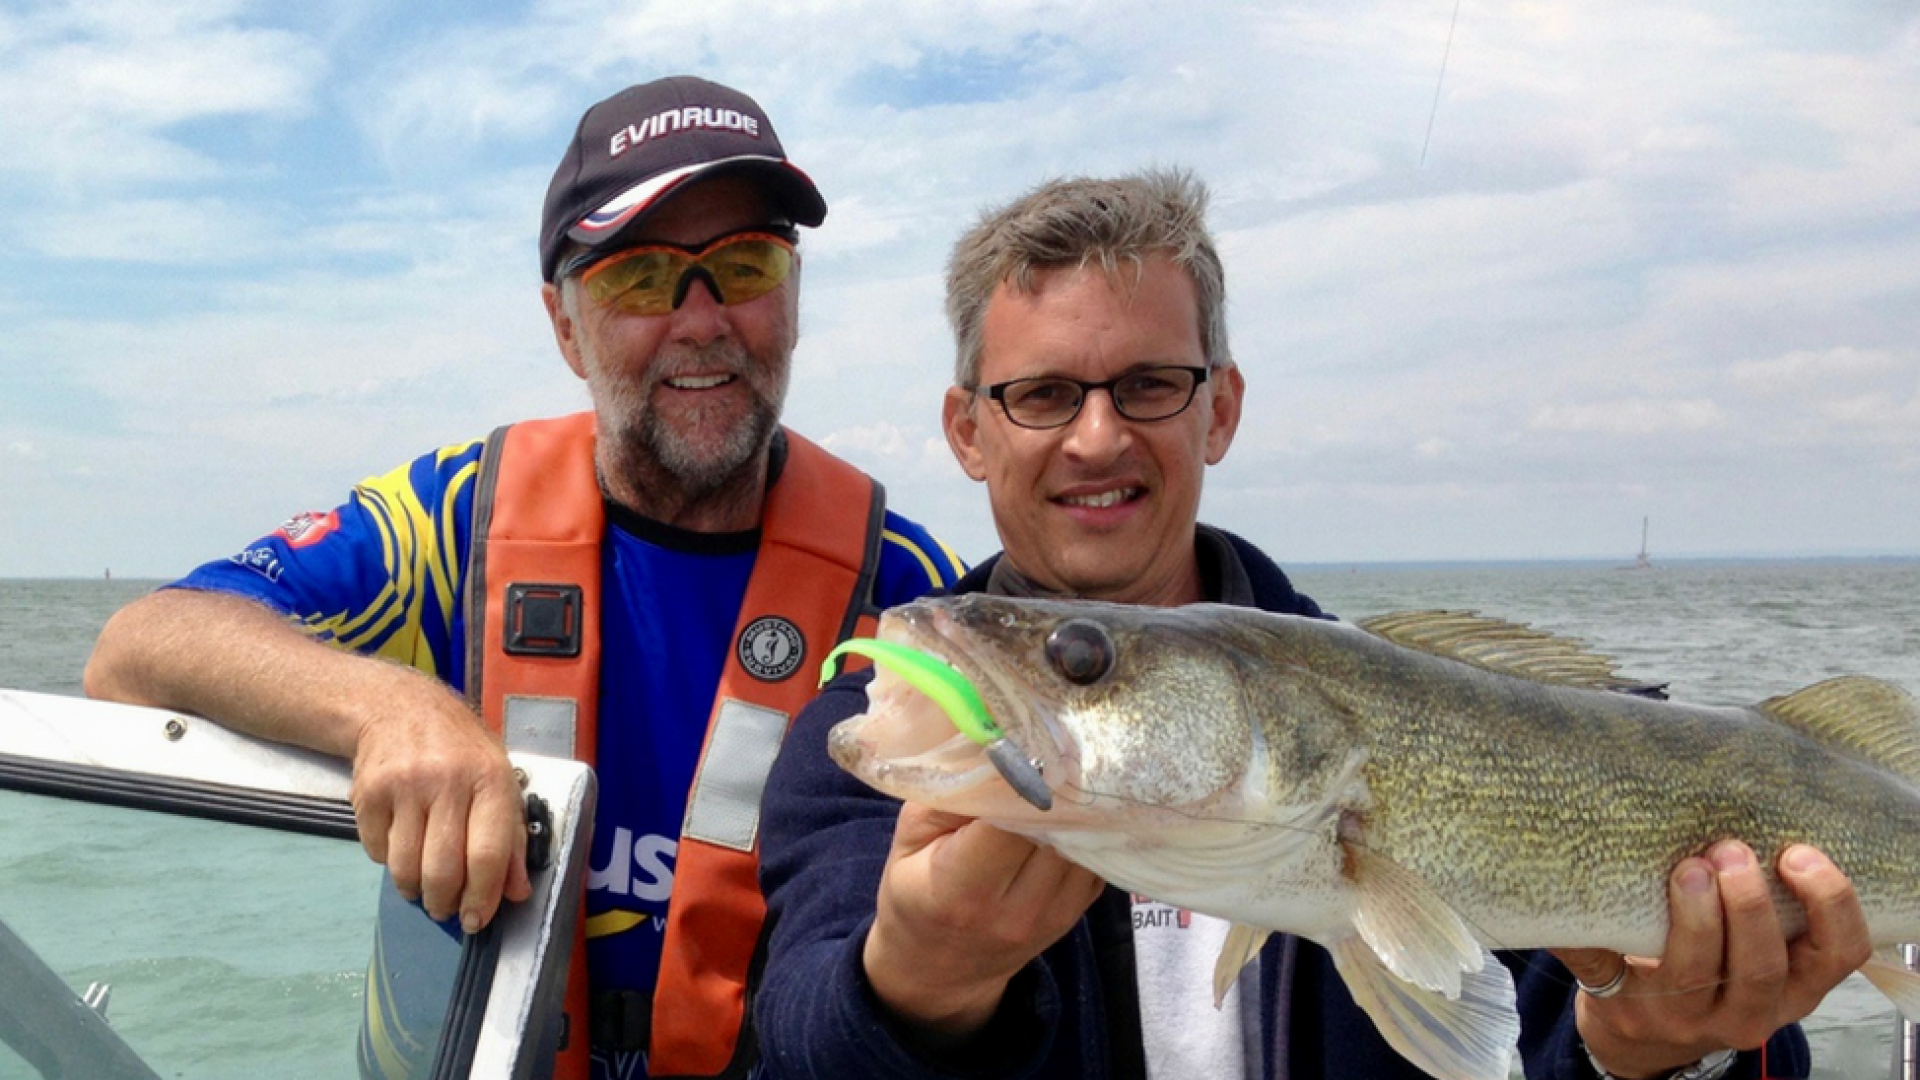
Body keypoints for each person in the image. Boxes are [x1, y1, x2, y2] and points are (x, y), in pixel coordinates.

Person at [750, 170, 1871, 1080]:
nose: (1095, 438)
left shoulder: (1402, 716)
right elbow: (798, 1034)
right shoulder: (890, 739)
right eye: (1041, 395)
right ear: (966, 431)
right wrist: (914, 985)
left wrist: (1662, 1056)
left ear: (1220, 408)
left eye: (1148, 384)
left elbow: (1565, 1047)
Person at [83, 76, 963, 1080]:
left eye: (746, 265)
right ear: (564, 324)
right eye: (640, 279)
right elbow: (139, 650)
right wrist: (389, 708)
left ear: (795, 299)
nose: (702, 320)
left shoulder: (904, 587)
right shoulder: (451, 523)